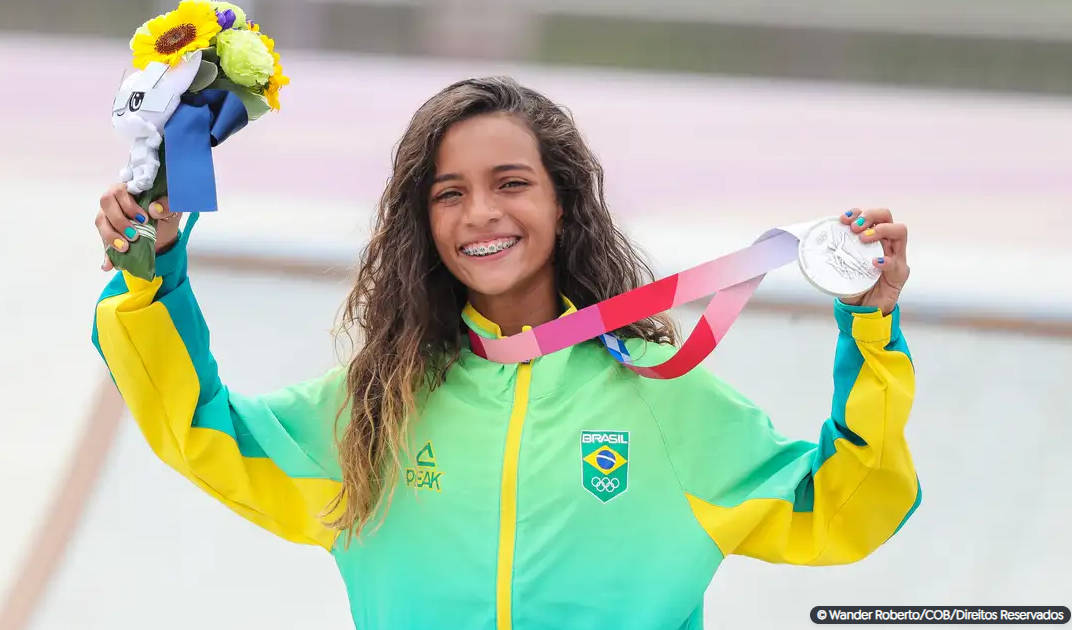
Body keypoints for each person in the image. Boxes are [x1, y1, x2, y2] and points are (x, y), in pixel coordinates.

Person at [91, 76, 920, 630]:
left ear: (565, 204)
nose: (480, 212)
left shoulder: (664, 403)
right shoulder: (376, 407)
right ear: (425, 225)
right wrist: (152, 272)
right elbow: (202, 428)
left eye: (512, 182)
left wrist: (870, 329)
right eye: (449, 194)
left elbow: (848, 505)